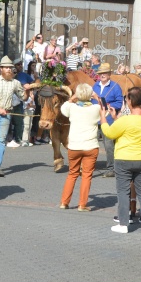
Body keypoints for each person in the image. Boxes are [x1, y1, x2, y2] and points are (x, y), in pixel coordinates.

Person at [101, 87, 141, 234]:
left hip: (124, 158)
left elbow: (110, 133)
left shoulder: (126, 120)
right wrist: (116, 118)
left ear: (130, 100)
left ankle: (123, 224)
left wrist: (103, 118)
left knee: (123, 192)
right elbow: (129, 128)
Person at [59, 83, 101, 211]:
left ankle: (64, 202)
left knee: (72, 174)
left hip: (74, 145)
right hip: (90, 145)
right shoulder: (96, 108)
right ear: (90, 95)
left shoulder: (72, 108)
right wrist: (97, 97)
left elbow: (64, 108)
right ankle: (82, 204)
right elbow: (105, 110)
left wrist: (72, 98)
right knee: (87, 175)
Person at [0, 56, 25, 176]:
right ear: (1, 68)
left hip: (6, 114)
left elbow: (23, 97)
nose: (9, 70)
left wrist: (28, 90)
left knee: (1, 141)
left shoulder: (16, 83)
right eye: (6, 67)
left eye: (10, 68)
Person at [93, 63, 125, 178]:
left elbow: (119, 102)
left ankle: (111, 168)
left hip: (109, 119)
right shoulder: (95, 86)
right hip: (96, 119)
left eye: (105, 73)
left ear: (109, 74)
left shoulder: (115, 87)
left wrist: (109, 105)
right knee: (92, 143)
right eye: (100, 73)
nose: (102, 75)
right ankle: (90, 166)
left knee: (108, 145)